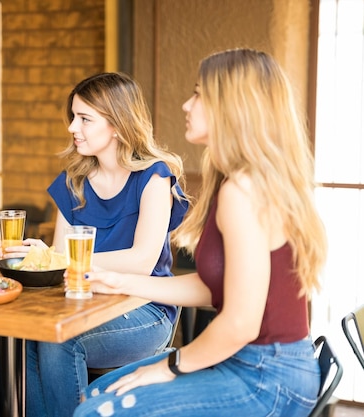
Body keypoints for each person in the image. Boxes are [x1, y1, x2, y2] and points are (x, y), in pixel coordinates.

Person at [73, 48, 327, 417]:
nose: (186, 105)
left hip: (267, 378)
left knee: (95, 412)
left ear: (231, 107)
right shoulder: (239, 181)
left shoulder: (243, 191)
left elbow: (240, 323)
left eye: (198, 94)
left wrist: (167, 366)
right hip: (249, 362)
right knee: (96, 393)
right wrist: (120, 282)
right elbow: (216, 287)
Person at [3, 72, 188, 417]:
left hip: (144, 309)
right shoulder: (73, 182)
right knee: (25, 338)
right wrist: (40, 259)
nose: (73, 127)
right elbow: (60, 266)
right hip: (82, 304)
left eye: (85, 119)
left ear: (117, 124)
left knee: (61, 342)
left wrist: (59, 258)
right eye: (73, 117)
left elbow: (141, 261)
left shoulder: (154, 177)